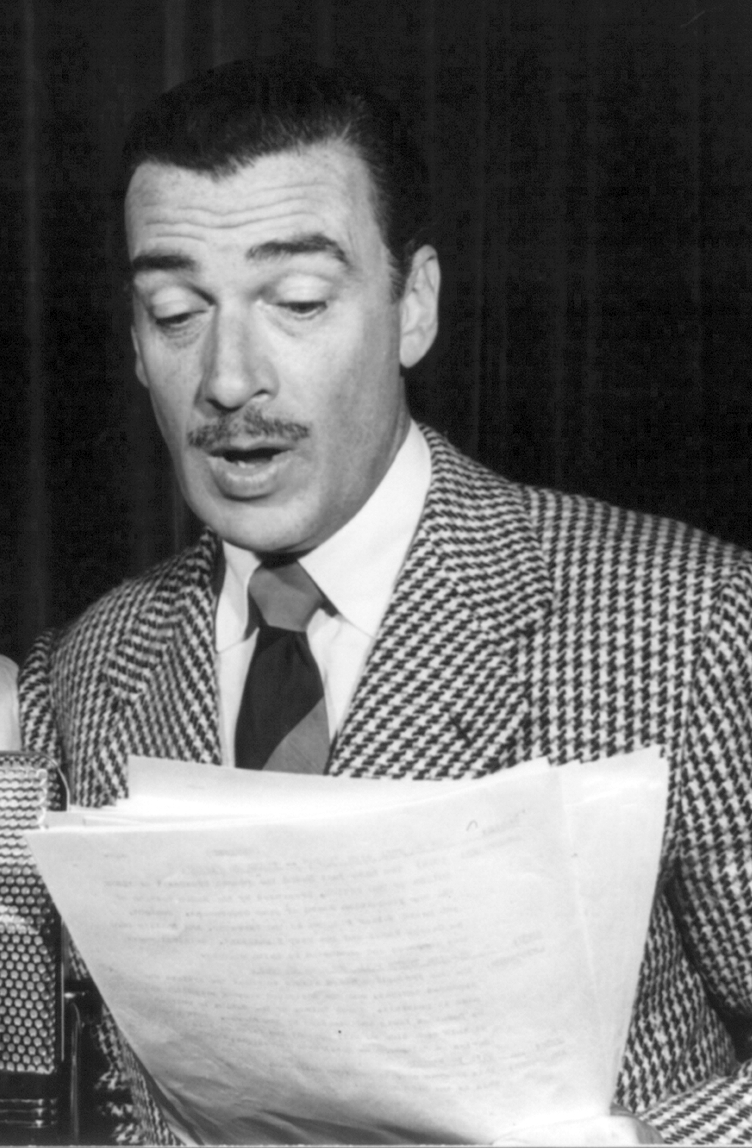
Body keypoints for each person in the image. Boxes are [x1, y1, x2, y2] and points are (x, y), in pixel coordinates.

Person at [14, 59, 752, 1146]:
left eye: (298, 303)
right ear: (133, 341)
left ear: (414, 307)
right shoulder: (85, 670)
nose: (228, 379)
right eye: (175, 313)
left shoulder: (686, 623)